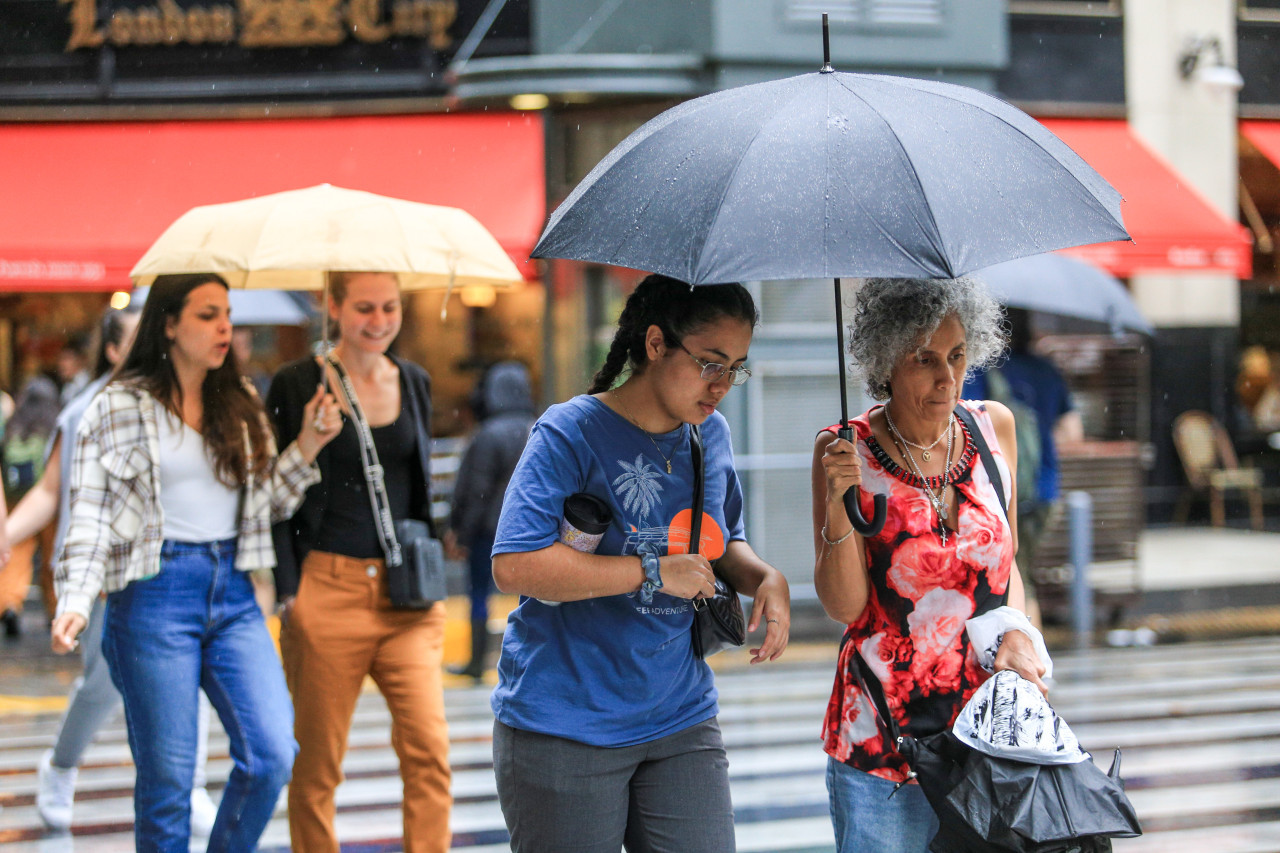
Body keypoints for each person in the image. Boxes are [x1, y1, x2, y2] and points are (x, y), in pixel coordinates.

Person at [489, 274, 791, 853]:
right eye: (710, 362)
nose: (723, 384)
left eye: (737, 367)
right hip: (565, 725)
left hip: (680, 714)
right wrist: (651, 571)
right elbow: (515, 564)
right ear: (656, 344)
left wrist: (764, 577)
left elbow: (720, 543)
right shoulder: (569, 431)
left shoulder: (710, 434)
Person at [51, 273, 341, 852]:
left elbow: (266, 505)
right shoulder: (116, 406)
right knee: (168, 785)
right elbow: (89, 513)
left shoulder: (239, 403)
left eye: (226, 313)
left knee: (271, 754)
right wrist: (76, 599)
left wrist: (307, 444)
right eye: (208, 314)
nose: (225, 327)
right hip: (153, 594)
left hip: (232, 592)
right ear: (168, 323)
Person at [812, 276, 1050, 853]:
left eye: (958, 354)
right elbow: (845, 607)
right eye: (925, 359)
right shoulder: (843, 451)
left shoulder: (995, 429)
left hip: (988, 739)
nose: (948, 377)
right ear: (885, 360)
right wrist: (840, 507)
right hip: (884, 747)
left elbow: (1007, 567)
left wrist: (1019, 632)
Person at [5, 306, 220, 834]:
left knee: (191, 678)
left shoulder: (188, 401)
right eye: (142, 339)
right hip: (103, 572)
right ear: (113, 350)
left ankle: (189, 786)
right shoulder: (84, 409)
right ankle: (60, 766)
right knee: (103, 687)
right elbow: (53, 490)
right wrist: (7, 535)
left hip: (174, 570)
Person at [268, 271, 451, 853]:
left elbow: (417, 485)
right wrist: (289, 589)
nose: (379, 321)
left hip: (408, 598)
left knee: (429, 754)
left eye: (390, 308)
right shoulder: (298, 384)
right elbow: (272, 499)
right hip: (327, 589)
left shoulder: (415, 381)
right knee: (317, 768)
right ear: (334, 308)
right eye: (364, 308)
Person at [963, 308, 1082, 618]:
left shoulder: (983, 371)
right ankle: (1030, 660)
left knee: (1015, 580)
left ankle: (1029, 660)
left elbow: (966, 427)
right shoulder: (1047, 370)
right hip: (1044, 488)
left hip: (1000, 492)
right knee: (1023, 575)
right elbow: (1072, 431)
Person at [446, 361, 535, 681]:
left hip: (489, 532)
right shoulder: (537, 427)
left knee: (479, 595)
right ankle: (529, 662)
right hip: (531, 530)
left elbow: (474, 491)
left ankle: (476, 661)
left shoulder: (487, 435)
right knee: (532, 598)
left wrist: (460, 533)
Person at [1, 375, 60, 635]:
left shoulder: (15, 423)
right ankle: (56, 610)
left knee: (16, 556)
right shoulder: (54, 422)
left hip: (15, 498)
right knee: (52, 557)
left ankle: (9, 604)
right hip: (46, 497)